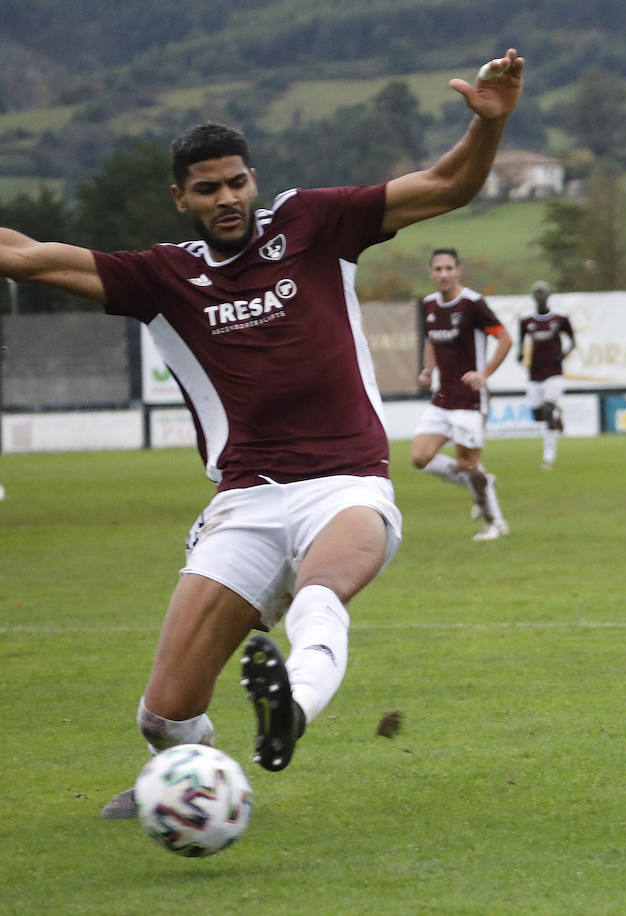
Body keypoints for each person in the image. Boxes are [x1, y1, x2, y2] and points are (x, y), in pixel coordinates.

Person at [0, 49, 524, 818]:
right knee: (165, 716)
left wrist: (489, 126)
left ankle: (292, 711)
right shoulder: (160, 277)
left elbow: (448, 186)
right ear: (180, 197)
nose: (228, 198)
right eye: (207, 189)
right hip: (245, 502)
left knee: (322, 591)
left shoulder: (314, 222)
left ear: (253, 178)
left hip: (346, 485)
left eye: (237, 181)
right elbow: (23, 256)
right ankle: (197, 774)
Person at [410, 247, 513, 540]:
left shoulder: (473, 304)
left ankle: (495, 523)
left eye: (448, 269)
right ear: (431, 273)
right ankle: (480, 481)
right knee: (420, 457)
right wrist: (428, 369)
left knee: (468, 464)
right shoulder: (430, 304)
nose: (443, 274)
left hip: (469, 399)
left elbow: (504, 338)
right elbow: (431, 339)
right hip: (443, 398)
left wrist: (485, 373)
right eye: (437, 269)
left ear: (458, 271)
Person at [518, 280, 576, 470]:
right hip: (535, 372)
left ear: (549, 295)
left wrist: (564, 355)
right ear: (533, 297)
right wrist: (519, 353)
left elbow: (573, 341)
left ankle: (548, 457)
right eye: (537, 293)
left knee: (546, 409)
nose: (541, 296)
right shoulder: (527, 319)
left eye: (543, 292)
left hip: (554, 371)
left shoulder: (559, 317)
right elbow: (521, 341)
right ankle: (557, 414)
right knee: (537, 415)